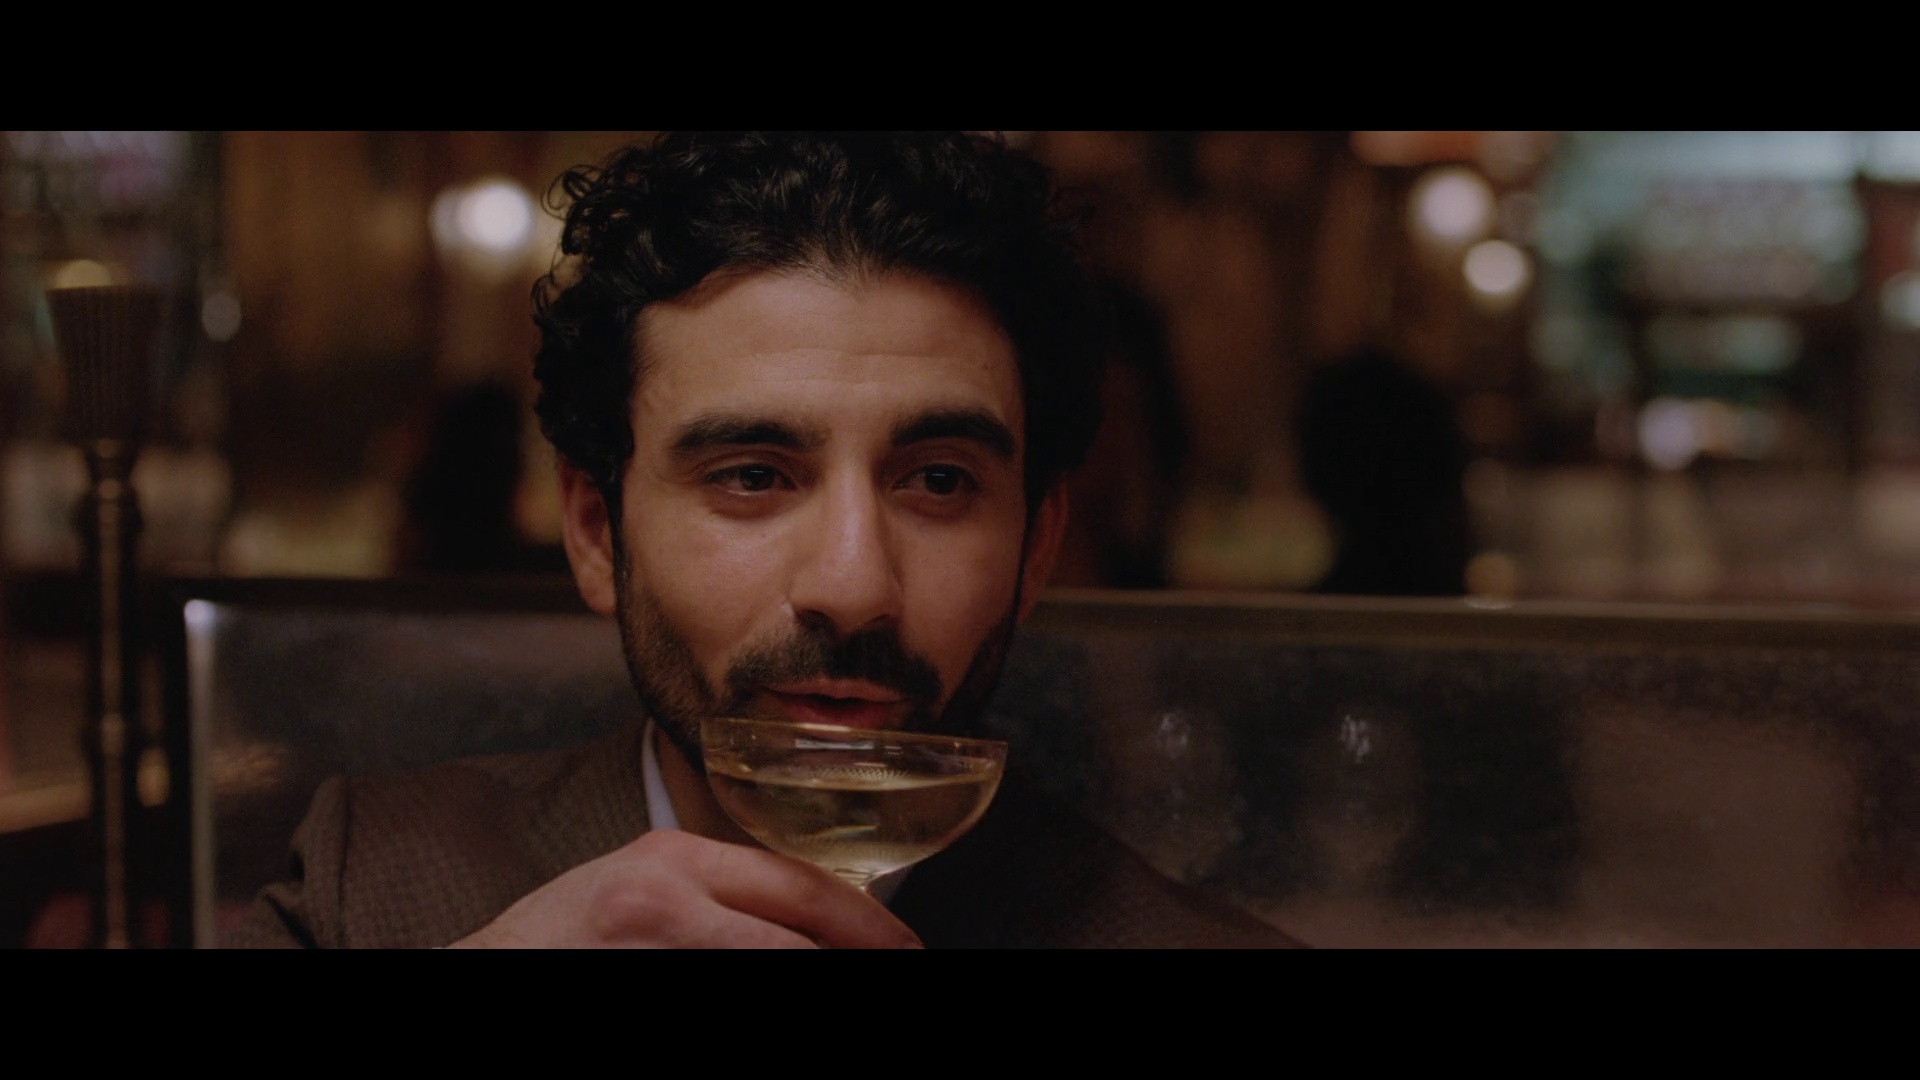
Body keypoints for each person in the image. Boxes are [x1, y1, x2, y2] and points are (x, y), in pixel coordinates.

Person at [227, 131, 1296, 949]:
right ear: (596, 532)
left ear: (1037, 546)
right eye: (751, 477)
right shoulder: (370, 890)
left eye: (938, 481)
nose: (853, 584)